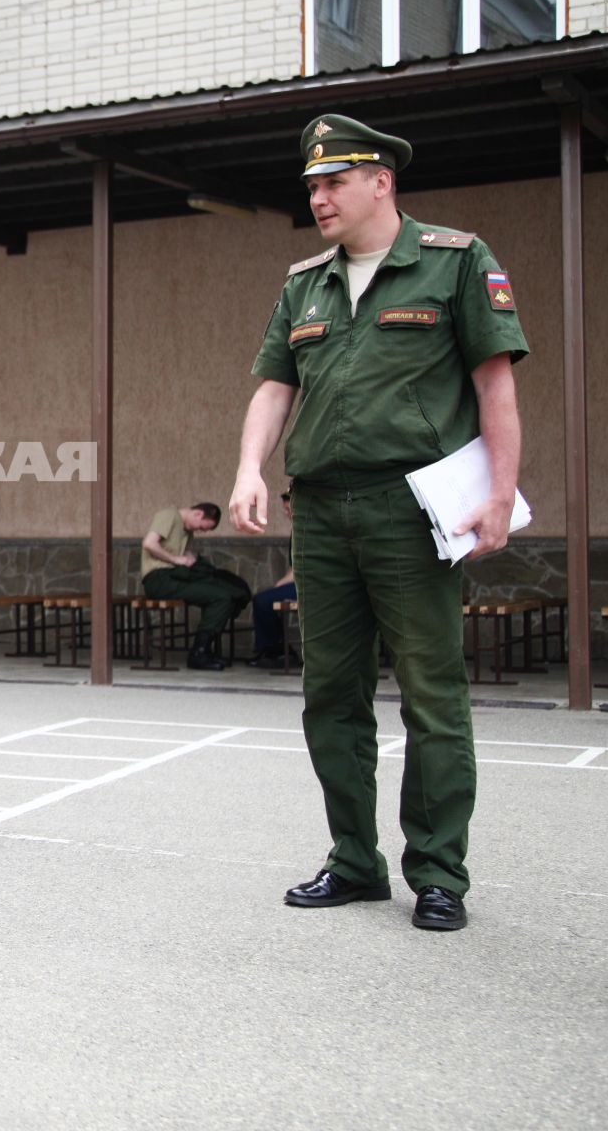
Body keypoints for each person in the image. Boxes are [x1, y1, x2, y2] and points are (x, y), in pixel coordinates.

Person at [228, 114, 527, 933]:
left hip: (409, 508)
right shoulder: (305, 283)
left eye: (334, 182)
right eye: (313, 186)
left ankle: (437, 872)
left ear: (381, 182)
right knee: (331, 691)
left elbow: (495, 383)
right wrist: (250, 467)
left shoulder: (455, 262)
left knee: (432, 692)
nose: (319, 197)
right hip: (320, 510)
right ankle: (354, 861)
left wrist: (500, 493)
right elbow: (274, 385)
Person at [139, 502, 251, 670]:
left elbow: (182, 552)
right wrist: (175, 559)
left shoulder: (187, 531)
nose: (200, 530)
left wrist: (190, 558)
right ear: (198, 514)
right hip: (158, 578)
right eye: (202, 527)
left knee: (224, 591)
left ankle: (205, 650)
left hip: (176, 576)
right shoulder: (169, 514)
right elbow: (149, 543)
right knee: (220, 596)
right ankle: (198, 653)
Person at [247, 492, 298, 669]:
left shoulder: (309, 530)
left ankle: (275, 649)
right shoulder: (297, 530)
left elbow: (299, 570)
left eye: (288, 508)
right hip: (301, 583)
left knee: (262, 601)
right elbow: (294, 568)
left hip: (315, 586)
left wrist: (278, 587)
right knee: (265, 598)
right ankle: (277, 648)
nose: (286, 513)